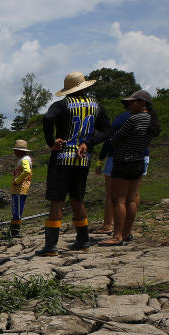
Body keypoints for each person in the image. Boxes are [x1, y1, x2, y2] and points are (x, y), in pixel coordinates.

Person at [38, 71, 110, 256]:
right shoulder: (96, 107)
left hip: (62, 158)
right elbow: (105, 130)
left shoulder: (62, 105)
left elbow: (47, 119)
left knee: (57, 200)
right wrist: (88, 142)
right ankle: (83, 240)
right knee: (77, 199)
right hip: (82, 159)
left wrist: (51, 142)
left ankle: (51, 246)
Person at [100, 89, 162, 247]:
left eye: (132, 102)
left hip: (123, 162)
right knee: (132, 199)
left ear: (142, 103)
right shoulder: (151, 121)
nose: (129, 106)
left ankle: (117, 235)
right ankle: (127, 232)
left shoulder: (133, 120)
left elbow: (114, 140)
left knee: (118, 200)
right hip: (138, 161)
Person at [10, 140, 33, 238]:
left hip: (20, 189)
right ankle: (13, 231)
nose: (14, 152)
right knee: (16, 210)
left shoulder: (24, 159)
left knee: (17, 210)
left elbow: (27, 171)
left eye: (16, 150)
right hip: (18, 189)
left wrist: (17, 181)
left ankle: (15, 231)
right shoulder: (24, 159)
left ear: (21, 151)